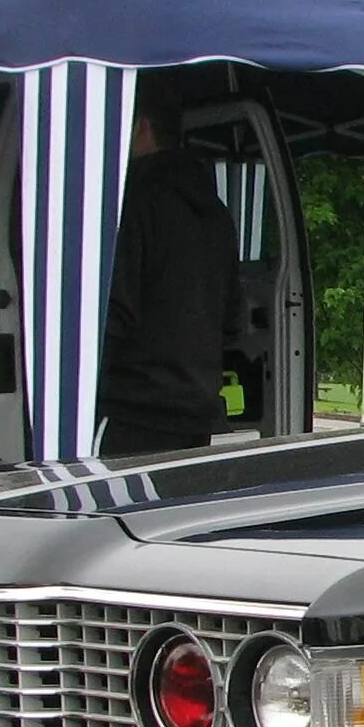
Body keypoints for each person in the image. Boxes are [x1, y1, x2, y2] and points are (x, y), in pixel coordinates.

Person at [96, 81, 242, 455]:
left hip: (132, 409)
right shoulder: (217, 213)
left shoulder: (134, 201)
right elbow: (231, 320)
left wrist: (86, 387)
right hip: (196, 411)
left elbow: (113, 310)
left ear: (141, 126)